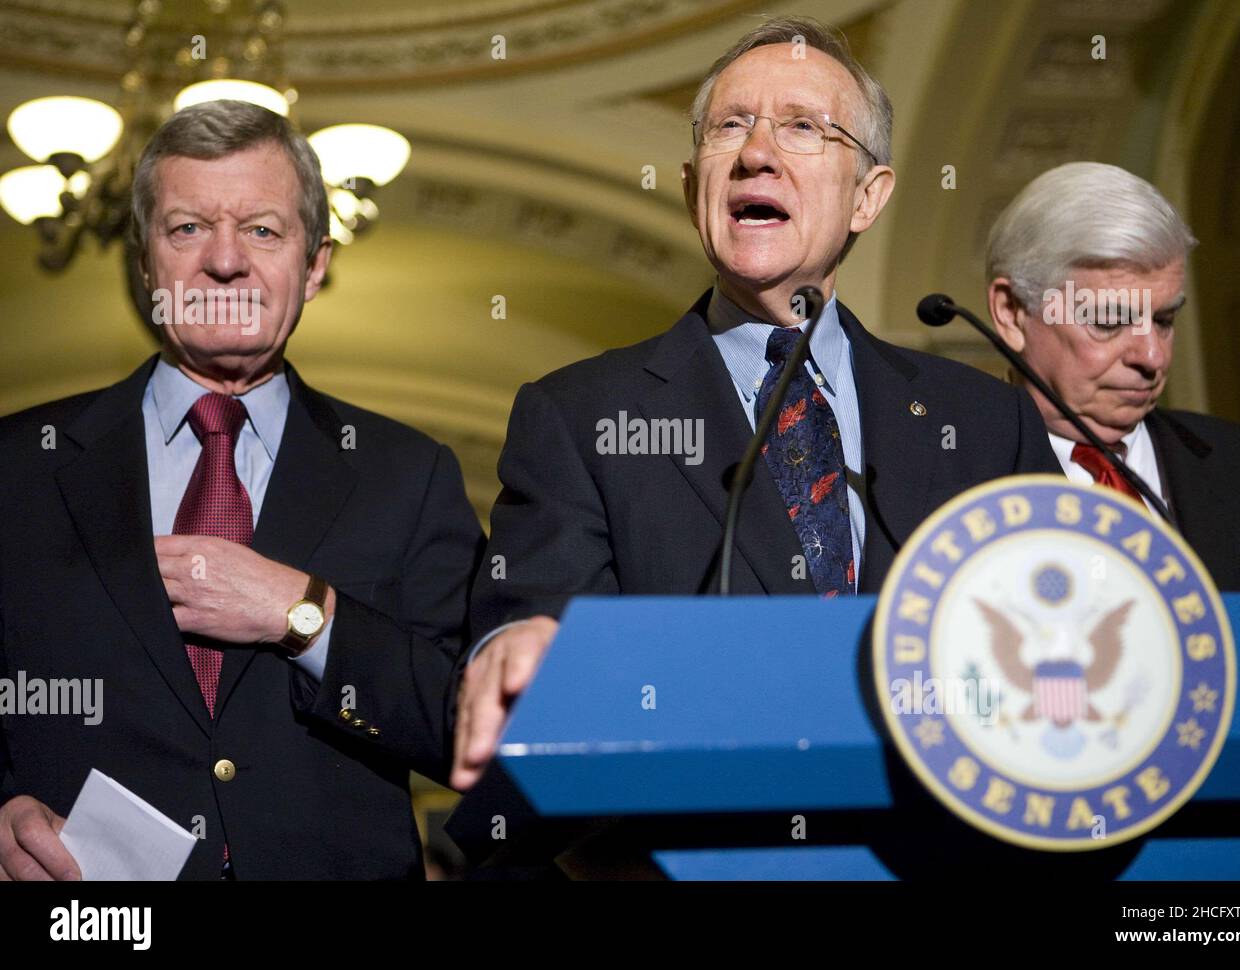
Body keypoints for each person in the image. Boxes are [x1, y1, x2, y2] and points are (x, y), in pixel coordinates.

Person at [451, 17, 1061, 791]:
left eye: (803, 127)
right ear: (688, 185)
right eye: (729, 126)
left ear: (868, 198)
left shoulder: (985, 421)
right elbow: (531, 634)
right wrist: (519, 651)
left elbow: (1052, 641)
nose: (756, 154)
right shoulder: (578, 418)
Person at [0, 100, 483, 880]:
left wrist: (303, 616)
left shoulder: (408, 474)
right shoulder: (17, 468)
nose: (225, 261)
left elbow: (469, 722)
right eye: (188, 228)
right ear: (145, 262)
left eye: (262, 229)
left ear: (316, 263)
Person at [985, 161, 1240, 590]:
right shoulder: (950, 481)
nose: (1152, 357)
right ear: (1012, 313)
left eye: (1165, 320)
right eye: (1110, 321)